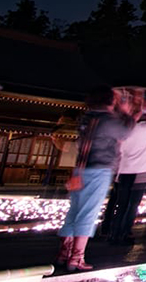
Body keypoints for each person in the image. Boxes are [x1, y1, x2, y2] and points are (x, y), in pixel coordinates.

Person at [56, 86, 132, 272]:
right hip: (99, 169)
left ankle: (64, 253)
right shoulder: (108, 120)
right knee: (88, 212)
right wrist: (126, 113)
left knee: (74, 210)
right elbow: (125, 132)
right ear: (110, 101)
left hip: (80, 168)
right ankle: (77, 257)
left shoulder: (86, 117)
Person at [106, 99, 146, 245]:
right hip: (141, 170)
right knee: (133, 204)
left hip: (124, 169)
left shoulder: (124, 128)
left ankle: (113, 233)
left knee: (121, 203)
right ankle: (125, 233)